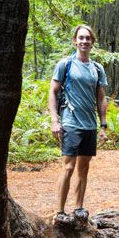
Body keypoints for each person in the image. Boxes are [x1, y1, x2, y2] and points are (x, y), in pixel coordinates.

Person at [48, 24, 108, 225]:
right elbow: (53, 92)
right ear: (75, 41)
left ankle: (79, 208)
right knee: (68, 167)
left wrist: (103, 126)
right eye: (81, 38)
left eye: (87, 38)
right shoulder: (66, 64)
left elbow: (101, 99)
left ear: (92, 42)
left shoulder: (97, 69)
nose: (84, 41)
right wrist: (55, 120)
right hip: (70, 122)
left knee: (84, 168)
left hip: (89, 125)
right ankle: (59, 212)